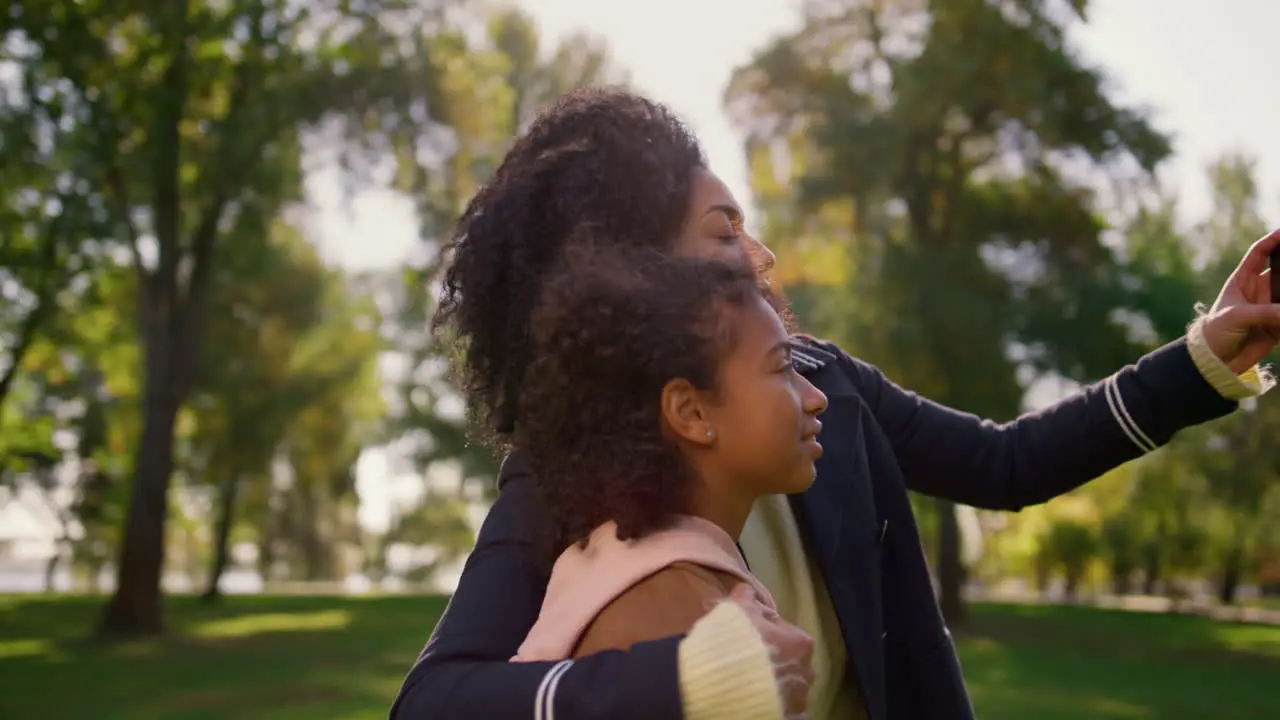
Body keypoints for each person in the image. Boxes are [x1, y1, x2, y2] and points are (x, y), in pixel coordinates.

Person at [390, 87, 1279, 720]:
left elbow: (1007, 462)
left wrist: (1202, 359)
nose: (761, 254)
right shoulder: (560, 472)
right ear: (637, 277)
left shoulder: (825, 383)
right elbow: (434, 700)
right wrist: (679, 684)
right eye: (723, 230)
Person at [507, 247, 824, 683]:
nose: (815, 397)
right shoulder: (681, 617)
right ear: (691, 412)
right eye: (783, 367)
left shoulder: (623, 565)